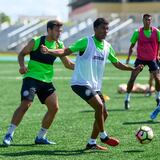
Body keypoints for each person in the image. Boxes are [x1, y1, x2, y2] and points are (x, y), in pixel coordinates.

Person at [41, 18, 143, 150]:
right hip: (80, 83)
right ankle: (104, 136)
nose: (105, 31)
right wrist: (49, 51)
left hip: (94, 86)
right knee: (99, 106)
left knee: (104, 114)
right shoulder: (86, 42)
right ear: (95, 29)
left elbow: (117, 63)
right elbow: (66, 51)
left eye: (107, 29)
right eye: (102, 28)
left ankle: (91, 143)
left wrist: (132, 69)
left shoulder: (107, 46)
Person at [3, 20, 74, 146]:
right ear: (49, 30)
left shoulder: (59, 45)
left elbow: (68, 64)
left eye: (60, 31)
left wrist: (84, 68)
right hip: (31, 78)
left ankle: (41, 137)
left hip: (46, 81)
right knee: (26, 104)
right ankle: (9, 134)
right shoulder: (36, 41)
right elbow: (21, 54)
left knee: (54, 107)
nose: (59, 33)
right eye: (57, 30)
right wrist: (22, 66)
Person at [124, 14, 160, 112]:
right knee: (132, 79)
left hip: (152, 59)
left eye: (149, 20)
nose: (147, 21)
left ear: (151, 21)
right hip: (140, 59)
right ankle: (127, 98)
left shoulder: (156, 32)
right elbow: (132, 46)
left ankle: (158, 98)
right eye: (146, 20)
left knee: (157, 79)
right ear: (143, 20)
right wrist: (128, 58)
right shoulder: (138, 32)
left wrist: (158, 55)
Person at [146, 26, 160, 97]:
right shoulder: (154, 41)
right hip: (155, 61)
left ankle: (157, 93)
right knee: (152, 77)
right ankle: (149, 90)